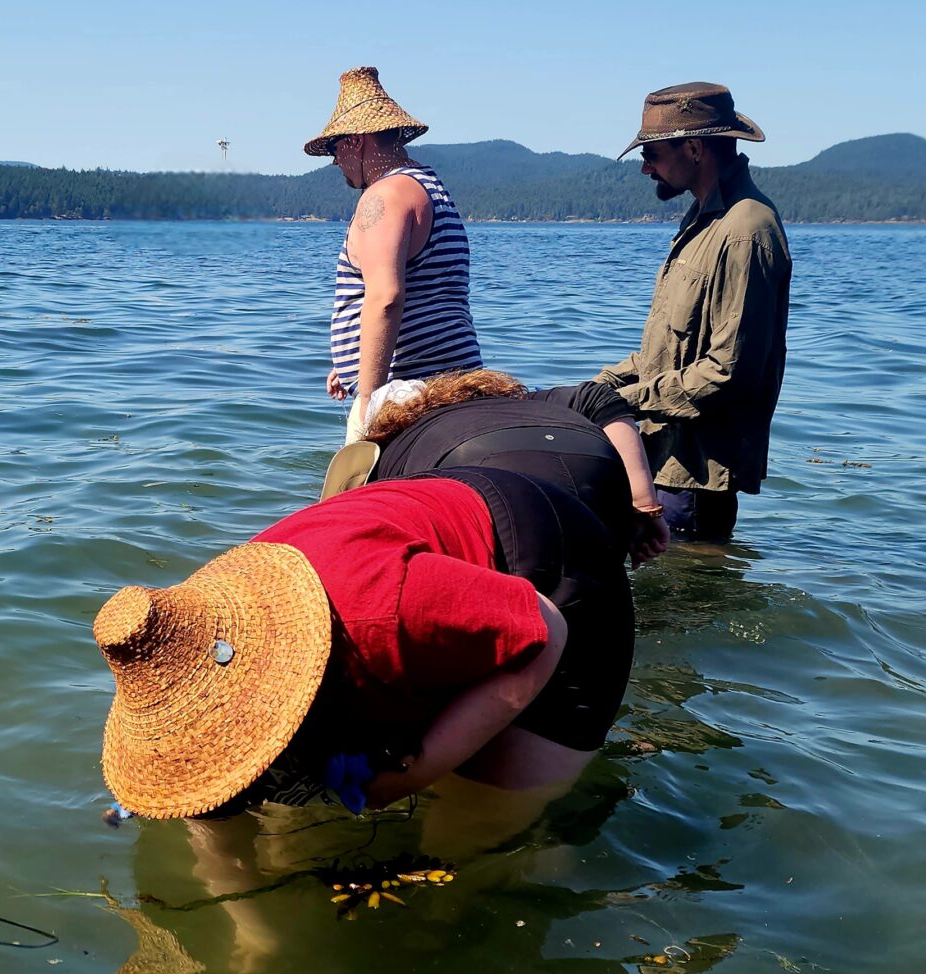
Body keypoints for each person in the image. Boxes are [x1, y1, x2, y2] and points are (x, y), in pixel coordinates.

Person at [95, 470, 639, 823]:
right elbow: (212, 806)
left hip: (549, 555)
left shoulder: (381, 611)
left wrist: (415, 773)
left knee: (486, 816)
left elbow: (545, 631)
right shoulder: (196, 631)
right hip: (411, 530)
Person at [594, 82, 792, 542]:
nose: (646, 167)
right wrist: (594, 389)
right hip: (665, 460)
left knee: (688, 608)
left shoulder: (746, 231)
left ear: (695, 149)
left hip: (696, 477)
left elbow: (730, 372)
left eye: (654, 154)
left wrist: (624, 402)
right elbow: (665, 354)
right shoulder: (704, 221)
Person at [325, 370, 671, 567]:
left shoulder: (395, 448)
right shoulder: (520, 400)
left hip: (488, 481)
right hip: (597, 469)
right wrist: (644, 507)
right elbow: (601, 397)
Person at [303, 67, 482, 443]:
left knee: (350, 497)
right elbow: (427, 292)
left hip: (411, 395)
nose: (335, 161)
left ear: (357, 140)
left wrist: (368, 400)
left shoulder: (384, 197)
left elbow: (385, 299)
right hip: (458, 379)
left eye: (336, 147)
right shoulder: (428, 186)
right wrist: (350, 361)